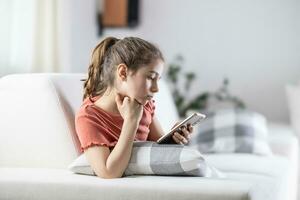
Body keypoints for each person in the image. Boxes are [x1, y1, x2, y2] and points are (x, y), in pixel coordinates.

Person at [75, 37, 194, 179]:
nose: (156, 89)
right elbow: (109, 172)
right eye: (151, 77)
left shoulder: (144, 105)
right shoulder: (89, 117)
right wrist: (131, 121)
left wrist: (173, 141)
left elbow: (156, 147)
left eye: (158, 80)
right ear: (123, 73)